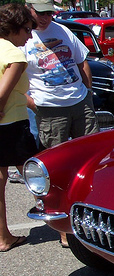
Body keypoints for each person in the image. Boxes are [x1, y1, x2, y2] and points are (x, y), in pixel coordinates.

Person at [22, 0, 99, 247]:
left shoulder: (62, 30)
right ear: (29, 9)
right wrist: (33, 103)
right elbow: (11, 74)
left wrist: (87, 91)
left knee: (92, 156)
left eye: (49, 13)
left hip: (78, 102)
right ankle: (63, 227)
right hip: (49, 108)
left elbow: (81, 60)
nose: (45, 18)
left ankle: (93, 210)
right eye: (40, 13)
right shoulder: (24, 36)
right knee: (55, 166)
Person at [0, 3, 38, 252]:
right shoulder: (14, 55)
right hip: (11, 124)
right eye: (26, 29)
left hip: (7, 122)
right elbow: (4, 93)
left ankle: (3, 237)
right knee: (37, 174)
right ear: (13, 28)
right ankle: (64, 231)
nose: (29, 36)